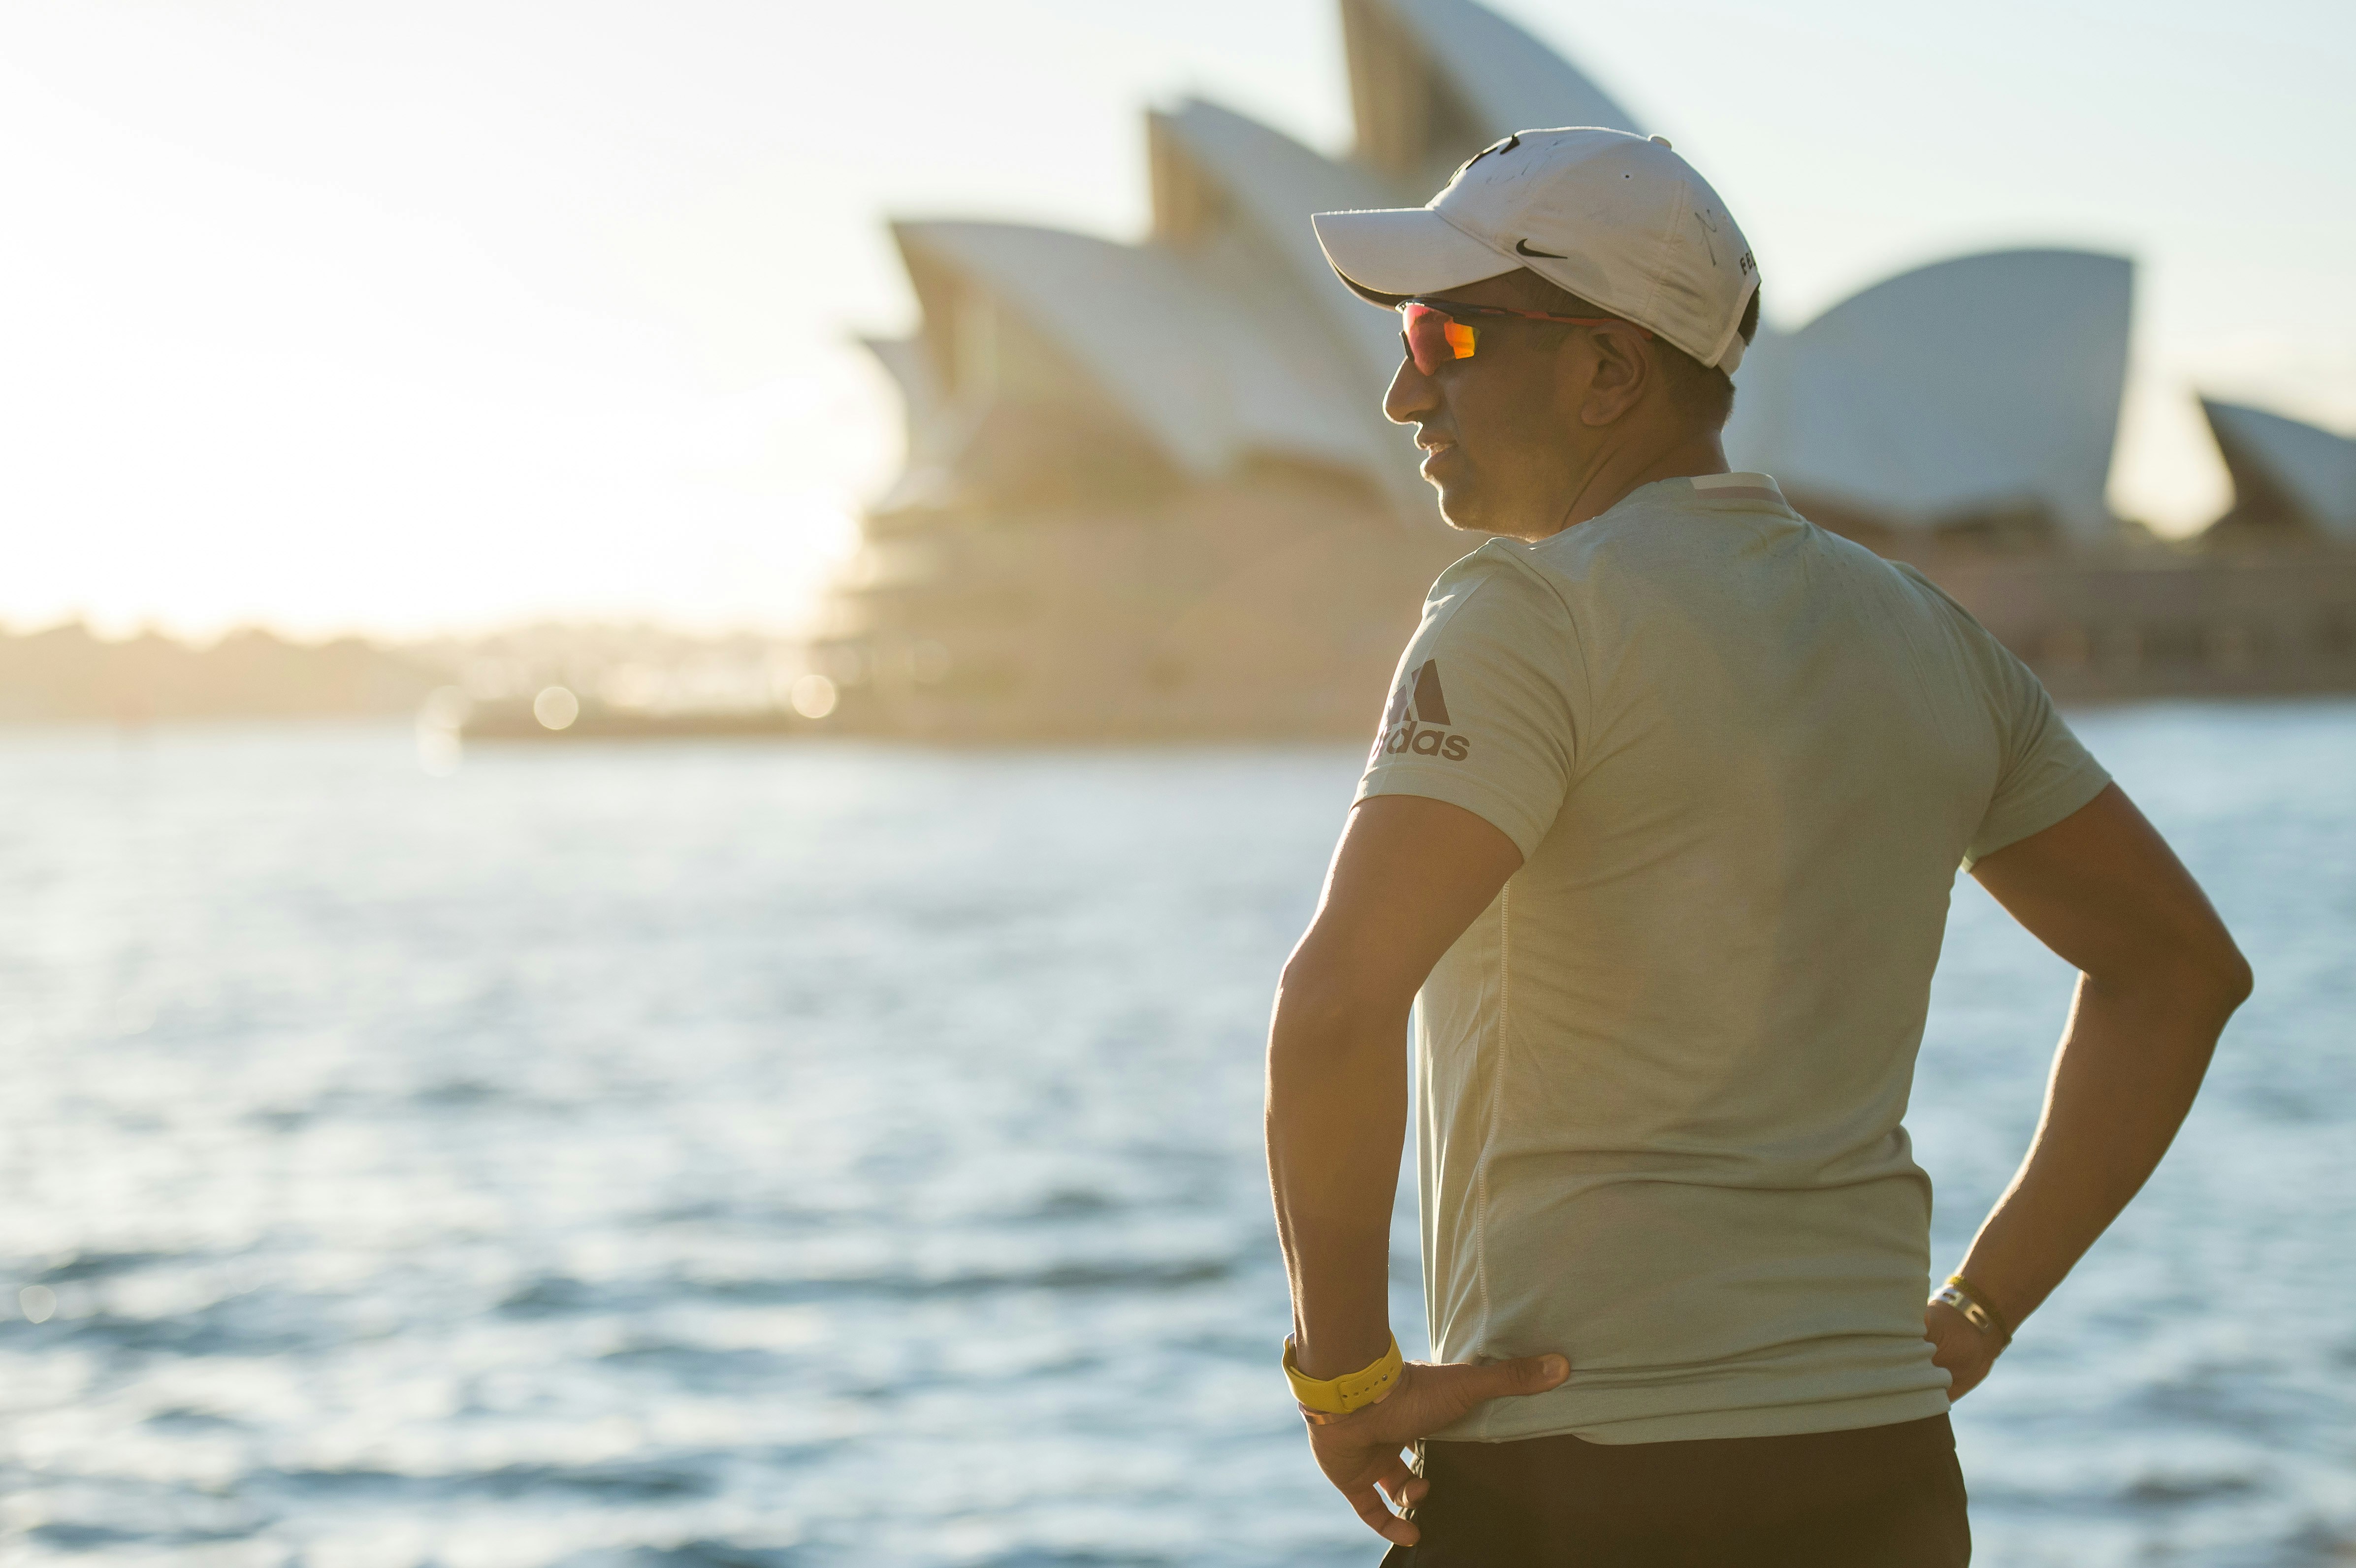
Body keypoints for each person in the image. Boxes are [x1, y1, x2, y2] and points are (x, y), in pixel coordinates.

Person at [1262, 127, 2251, 1565]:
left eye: (1447, 331)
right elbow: (2177, 972)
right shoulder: (1931, 638)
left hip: (1581, 1476)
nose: (1406, 387)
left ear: (1607, 371)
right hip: (1879, 1473)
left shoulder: (1527, 617)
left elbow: (1337, 1004)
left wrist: (1344, 1376)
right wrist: (1979, 1309)